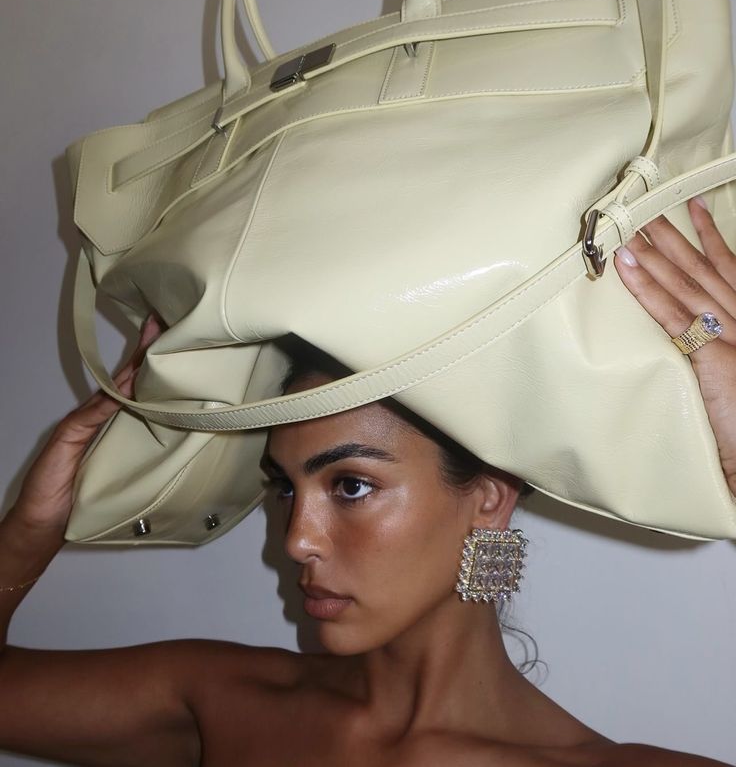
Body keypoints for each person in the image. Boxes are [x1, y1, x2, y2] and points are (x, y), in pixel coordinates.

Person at [0, 198, 734, 766]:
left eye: (350, 486)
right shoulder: (222, 702)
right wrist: (31, 527)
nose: (296, 540)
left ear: (488, 497)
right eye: (285, 488)